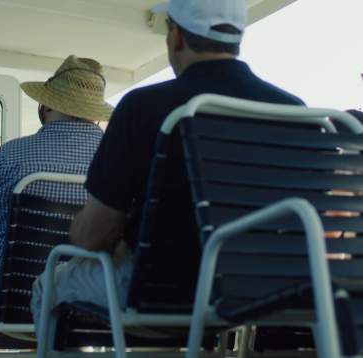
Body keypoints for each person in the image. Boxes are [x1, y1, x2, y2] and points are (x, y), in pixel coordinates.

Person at [31, 0, 305, 333]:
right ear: (236, 38)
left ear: (176, 36)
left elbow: (92, 238)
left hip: (163, 289)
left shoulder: (142, 107)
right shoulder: (292, 110)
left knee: (48, 283)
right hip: (261, 291)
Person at [0, 54, 112, 322]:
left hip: (5, 304)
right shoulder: (120, 164)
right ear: (95, 113)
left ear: (46, 106)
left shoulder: (8, 157)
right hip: (90, 307)